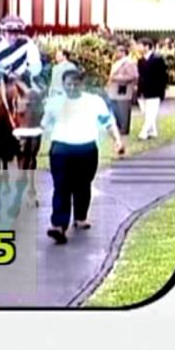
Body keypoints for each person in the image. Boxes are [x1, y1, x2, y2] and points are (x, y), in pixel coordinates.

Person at [40, 70, 125, 244]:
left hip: (86, 149)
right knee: (61, 186)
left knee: (83, 184)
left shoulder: (94, 102)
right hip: (61, 149)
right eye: (68, 85)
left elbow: (108, 122)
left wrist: (117, 140)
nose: (72, 88)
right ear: (63, 85)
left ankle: (80, 216)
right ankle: (58, 225)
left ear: (82, 84)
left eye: (75, 84)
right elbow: (43, 125)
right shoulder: (54, 103)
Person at [0, 15, 43, 92]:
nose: (13, 37)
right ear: (3, 32)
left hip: (21, 79)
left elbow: (36, 64)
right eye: (10, 33)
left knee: (37, 94)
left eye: (16, 33)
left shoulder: (27, 42)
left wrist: (28, 72)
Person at [136, 38, 168, 140]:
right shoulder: (140, 61)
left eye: (140, 46)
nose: (138, 48)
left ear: (147, 46)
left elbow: (163, 76)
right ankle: (153, 132)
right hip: (143, 91)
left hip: (155, 91)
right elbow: (140, 76)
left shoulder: (158, 59)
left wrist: (161, 91)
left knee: (151, 113)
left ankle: (143, 133)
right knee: (146, 112)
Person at [106, 45, 139, 137]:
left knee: (123, 110)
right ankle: (118, 127)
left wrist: (117, 78)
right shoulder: (117, 63)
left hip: (123, 90)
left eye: (118, 52)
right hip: (114, 90)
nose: (116, 54)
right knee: (116, 109)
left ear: (123, 52)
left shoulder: (129, 63)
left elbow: (133, 76)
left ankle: (124, 129)